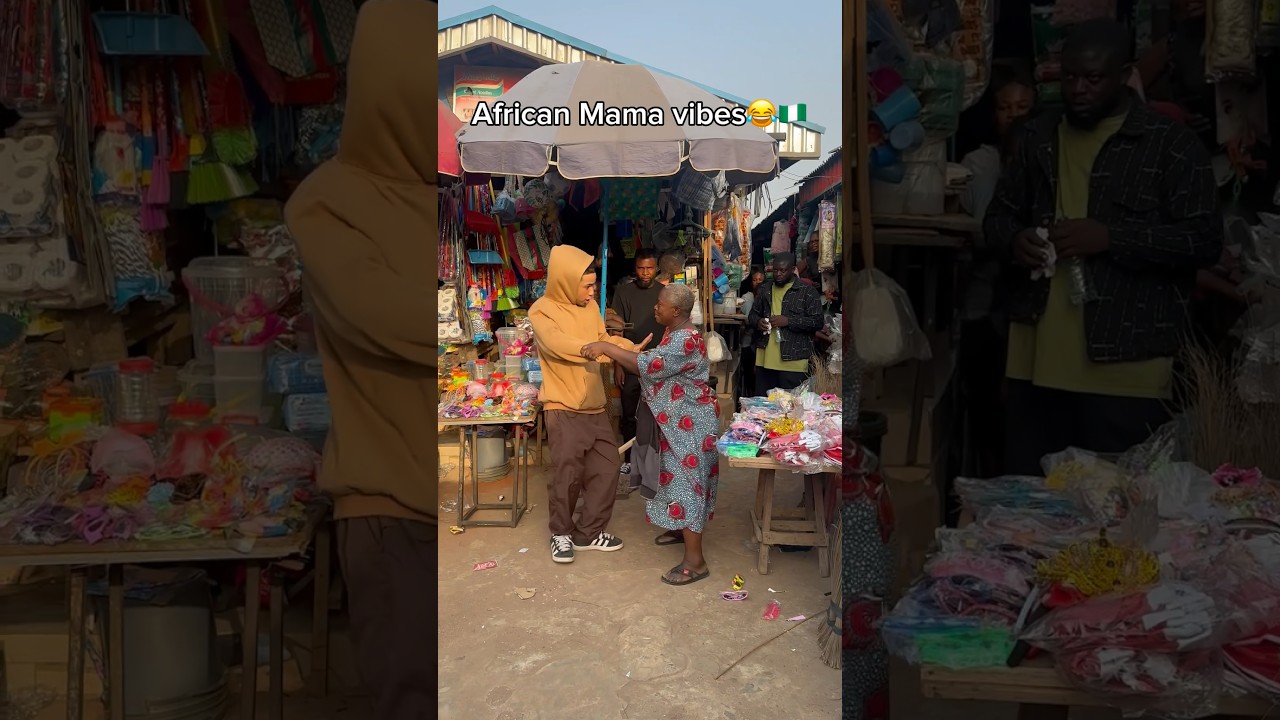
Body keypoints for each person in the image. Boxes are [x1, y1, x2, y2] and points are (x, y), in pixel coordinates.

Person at [282, 1, 435, 716]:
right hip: (393, 516)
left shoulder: (454, 201)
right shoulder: (328, 203)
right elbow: (399, 323)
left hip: (463, 502)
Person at [986, 18, 1221, 476]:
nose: (1078, 89)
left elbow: (1204, 240)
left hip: (1127, 366)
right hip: (1035, 361)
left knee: (1117, 511)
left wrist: (1112, 237)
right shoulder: (1038, 137)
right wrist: (1015, 240)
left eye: (1093, 78)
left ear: (1125, 73)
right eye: (1069, 76)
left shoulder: (1169, 145)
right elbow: (997, 218)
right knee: (1027, 513)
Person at [582, 283, 720, 586]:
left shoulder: (683, 340)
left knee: (689, 486)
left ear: (677, 311)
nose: (654, 308)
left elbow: (646, 365)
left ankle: (695, 562)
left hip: (691, 425)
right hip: (678, 423)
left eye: (660, 305)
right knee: (675, 479)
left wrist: (607, 346)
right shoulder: (675, 333)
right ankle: (679, 527)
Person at [530, 245, 650, 564]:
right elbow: (559, 346)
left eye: (593, 285)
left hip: (595, 407)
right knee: (567, 474)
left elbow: (605, 338)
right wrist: (599, 348)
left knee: (608, 467)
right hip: (563, 406)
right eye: (586, 285)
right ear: (567, 281)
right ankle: (561, 533)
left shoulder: (589, 307)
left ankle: (589, 532)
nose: (592, 291)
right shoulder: (541, 311)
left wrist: (627, 347)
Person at [958, 71, 1036, 478]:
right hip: (981, 304)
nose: (1013, 116)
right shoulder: (978, 165)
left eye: (1022, 108)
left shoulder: (1046, 161)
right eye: (1005, 108)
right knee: (986, 403)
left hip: (1025, 308)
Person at [610, 250, 664, 466]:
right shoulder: (624, 292)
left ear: (656, 269)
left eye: (649, 268)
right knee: (629, 414)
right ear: (635, 268)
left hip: (658, 364)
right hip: (630, 362)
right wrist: (618, 364)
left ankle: (656, 462)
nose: (645, 273)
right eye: (641, 268)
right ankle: (630, 462)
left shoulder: (664, 293)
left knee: (658, 415)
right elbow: (616, 330)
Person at [747, 252, 824, 392]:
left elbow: (817, 322)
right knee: (763, 409)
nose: (778, 274)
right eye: (775, 270)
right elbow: (752, 315)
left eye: (783, 270)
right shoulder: (765, 289)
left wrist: (788, 321)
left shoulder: (807, 292)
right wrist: (758, 322)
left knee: (791, 409)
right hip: (765, 360)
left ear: (793, 269)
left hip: (793, 362)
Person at [737, 267, 766, 398]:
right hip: (748, 342)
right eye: (755, 280)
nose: (757, 282)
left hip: (761, 342)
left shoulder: (766, 297)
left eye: (760, 280)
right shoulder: (746, 298)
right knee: (748, 369)